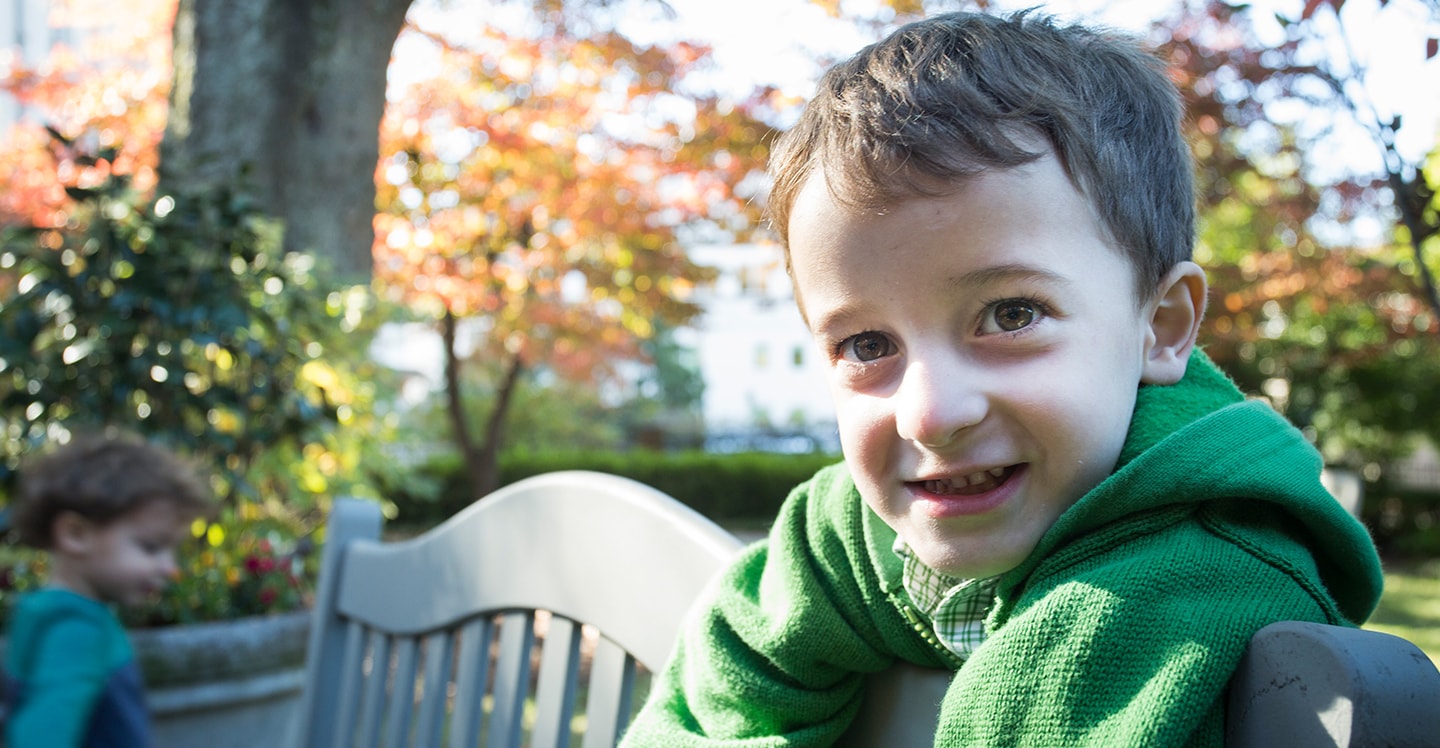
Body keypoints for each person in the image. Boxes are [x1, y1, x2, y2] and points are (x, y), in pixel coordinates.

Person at [622, 9, 1383, 747]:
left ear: (1161, 326)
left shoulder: (1192, 580)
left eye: (1011, 314)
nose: (929, 414)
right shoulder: (852, 531)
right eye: (864, 345)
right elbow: (732, 676)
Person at [4, 432, 213, 748]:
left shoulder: (47, 614)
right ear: (76, 534)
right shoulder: (77, 632)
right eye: (150, 547)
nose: (169, 568)